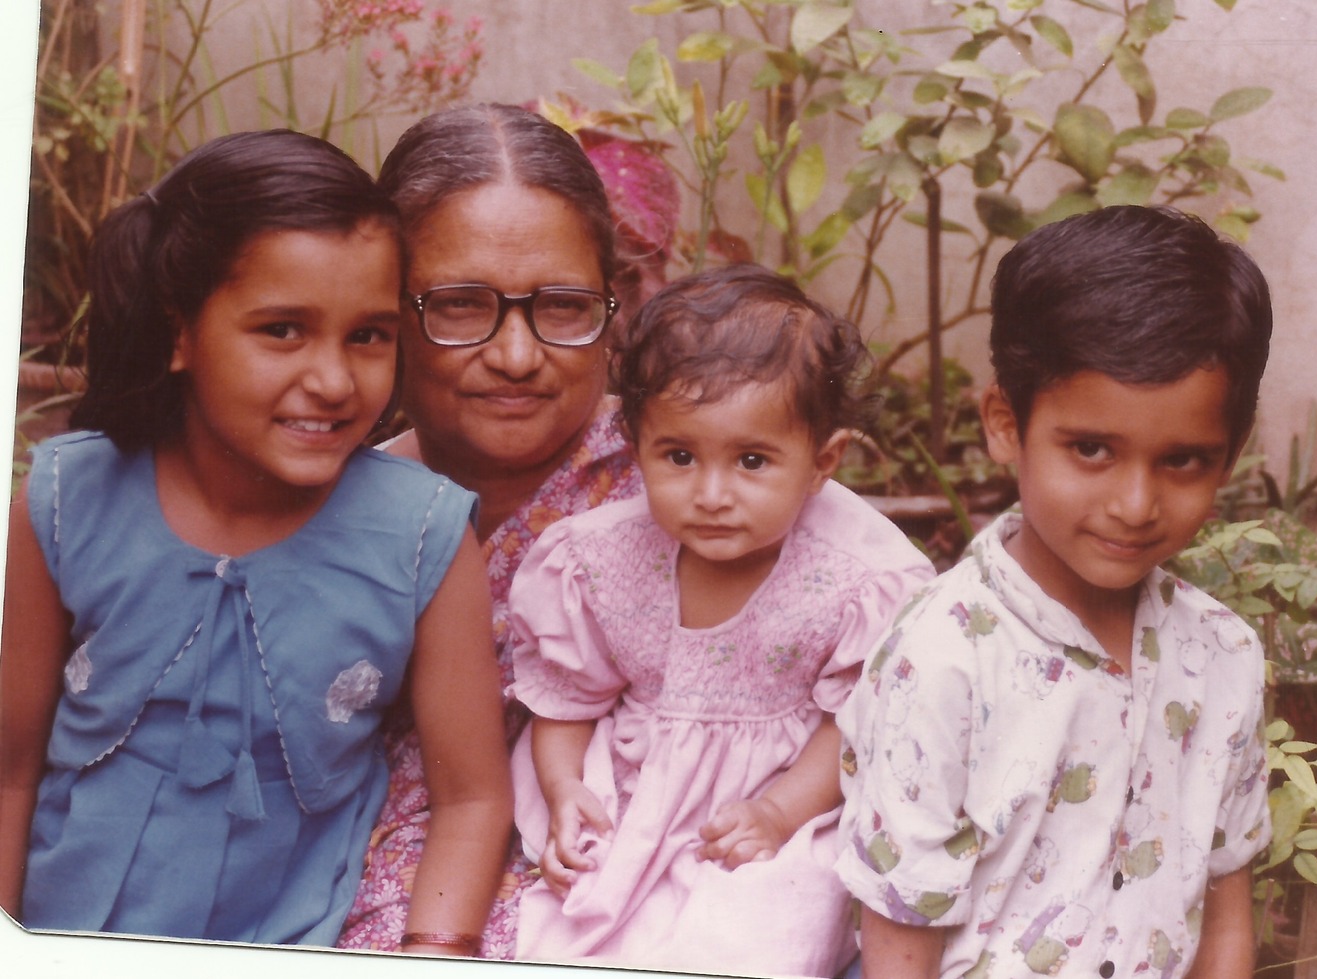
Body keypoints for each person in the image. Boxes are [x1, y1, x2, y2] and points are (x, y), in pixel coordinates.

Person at [0, 130, 511, 952]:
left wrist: (432, 953)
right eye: (282, 330)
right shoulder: (64, 499)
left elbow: (472, 800)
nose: (335, 380)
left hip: (296, 939)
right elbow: (11, 767)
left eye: (369, 335)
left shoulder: (425, 535)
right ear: (179, 332)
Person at [835, 205, 1274, 979]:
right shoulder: (942, 659)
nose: (1135, 503)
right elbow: (901, 933)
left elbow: (1225, 910)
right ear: (1007, 422)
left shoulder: (1225, 654)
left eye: (1183, 460)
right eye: (1093, 448)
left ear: (1231, 454)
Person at [506, 264, 934, 976]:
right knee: (573, 920)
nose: (710, 493)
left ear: (823, 460)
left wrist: (777, 812)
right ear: (636, 444)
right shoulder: (601, 557)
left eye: (752, 460)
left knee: (768, 925)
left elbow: (851, 724)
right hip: (636, 782)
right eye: (678, 456)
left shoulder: (859, 575)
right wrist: (563, 789)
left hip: (789, 789)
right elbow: (568, 697)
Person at [338, 103, 646, 957]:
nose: (516, 355)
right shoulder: (325, 500)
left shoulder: (694, 486)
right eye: (463, 305)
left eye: (563, 305)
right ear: (388, 308)